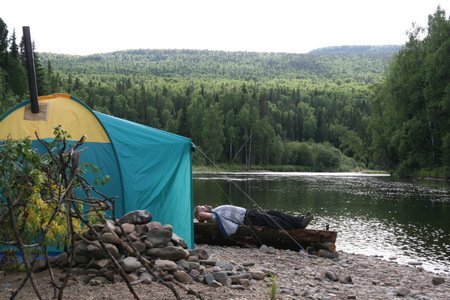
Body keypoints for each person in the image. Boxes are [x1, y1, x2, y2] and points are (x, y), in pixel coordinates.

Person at [194, 204, 313, 238]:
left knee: (275, 213)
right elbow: (201, 215)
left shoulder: (215, 211)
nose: (203, 205)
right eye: (201, 207)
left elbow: (202, 214)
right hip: (248, 218)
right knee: (274, 220)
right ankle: (297, 228)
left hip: (250, 213)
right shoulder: (214, 216)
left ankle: (299, 221)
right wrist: (199, 215)